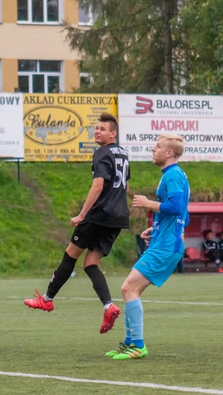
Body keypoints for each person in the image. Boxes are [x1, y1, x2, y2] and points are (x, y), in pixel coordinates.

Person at [24, 113, 130, 334]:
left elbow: (98, 186)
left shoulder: (101, 153)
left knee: (71, 253)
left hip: (100, 215)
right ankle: (108, 305)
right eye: (96, 127)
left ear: (114, 133)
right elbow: (125, 187)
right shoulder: (123, 154)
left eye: (102, 128)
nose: (97, 131)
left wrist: (82, 215)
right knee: (90, 264)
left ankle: (47, 298)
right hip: (118, 218)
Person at [106, 134, 189, 360]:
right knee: (132, 290)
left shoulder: (172, 175)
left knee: (128, 288)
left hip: (165, 247)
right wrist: (157, 229)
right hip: (164, 241)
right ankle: (130, 342)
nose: (153, 149)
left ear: (169, 153)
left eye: (158, 146)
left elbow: (176, 207)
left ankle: (138, 346)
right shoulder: (173, 175)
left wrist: (147, 204)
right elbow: (183, 215)